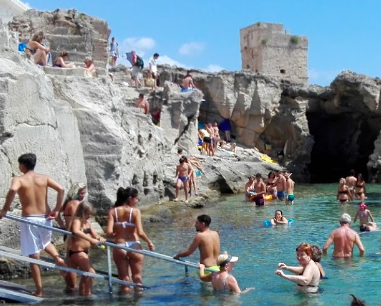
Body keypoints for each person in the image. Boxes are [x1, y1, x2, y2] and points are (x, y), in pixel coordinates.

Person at [0, 153, 66, 297]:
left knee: (33, 256)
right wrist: (56, 210)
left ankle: (39, 290)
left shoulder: (19, 179)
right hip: (45, 218)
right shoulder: (44, 178)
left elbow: (12, 190)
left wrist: (4, 209)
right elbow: (61, 189)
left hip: (30, 219)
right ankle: (58, 258)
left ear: (22, 165)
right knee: (46, 242)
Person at [106, 187, 155, 293]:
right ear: (130, 198)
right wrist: (149, 242)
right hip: (134, 245)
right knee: (137, 277)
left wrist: (117, 232)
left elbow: (109, 233)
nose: (137, 201)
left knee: (124, 279)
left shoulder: (112, 211)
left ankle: (126, 301)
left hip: (119, 245)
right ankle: (138, 300)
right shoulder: (135, 212)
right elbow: (140, 232)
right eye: (137, 198)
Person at [67, 202, 106, 296]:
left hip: (85, 252)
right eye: (88, 213)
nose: (90, 215)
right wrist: (91, 240)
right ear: (82, 212)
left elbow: (94, 234)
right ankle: (88, 294)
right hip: (77, 252)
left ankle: (83, 293)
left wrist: (99, 238)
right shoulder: (77, 221)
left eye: (91, 213)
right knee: (91, 273)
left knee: (86, 274)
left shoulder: (87, 222)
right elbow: (76, 231)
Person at [56, 182, 87, 290]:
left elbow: (56, 214)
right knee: (78, 265)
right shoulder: (75, 204)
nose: (83, 195)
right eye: (82, 193)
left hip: (68, 234)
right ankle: (76, 287)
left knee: (70, 262)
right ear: (76, 192)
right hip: (75, 236)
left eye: (84, 193)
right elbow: (77, 221)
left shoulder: (67, 203)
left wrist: (63, 226)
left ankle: (71, 287)